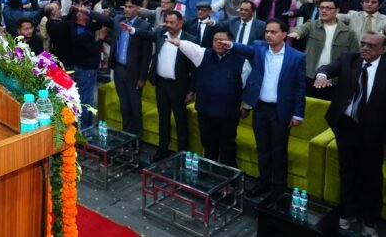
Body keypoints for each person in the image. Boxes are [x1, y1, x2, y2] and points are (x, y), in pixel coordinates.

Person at [314, 33, 386, 237]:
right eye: (363, 44)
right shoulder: (348, 59)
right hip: (346, 127)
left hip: (373, 133)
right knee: (348, 172)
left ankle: (369, 220)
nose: (365, 48)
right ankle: (348, 212)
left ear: (384, 49)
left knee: (371, 177)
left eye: (371, 46)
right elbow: (327, 69)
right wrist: (322, 75)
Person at [228, 19, 306, 197]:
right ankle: (263, 182)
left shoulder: (297, 57)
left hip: (281, 110)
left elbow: (300, 87)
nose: (269, 35)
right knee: (262, 148)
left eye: (273, 32)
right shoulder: (260, 48)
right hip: (260, 108)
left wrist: (298, 114)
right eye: (267, 32)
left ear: (284, 34)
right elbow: (244, 49)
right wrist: (230, 44)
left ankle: (278, 187)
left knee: (278, 150)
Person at [168, 28, 249, 166]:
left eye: (222, 40)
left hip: (228, 114)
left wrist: (247, 107)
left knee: (227, 147)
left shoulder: (242, 61)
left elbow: (247, 86)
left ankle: (228, 175)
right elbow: (192, 48)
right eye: (215, 40)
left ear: (231, 42)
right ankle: (209, 173)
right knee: (208, 145)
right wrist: (179, 43)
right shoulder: (204, 55)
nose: (218, 43)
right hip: (205, 112)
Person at [129, 11, 196, 161]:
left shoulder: (190, 40)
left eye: (172, 23)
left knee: (181, 122)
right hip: (161, 84)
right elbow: (147, 35)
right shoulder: (161, 34)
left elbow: (195, 68)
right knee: (163, 119)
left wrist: (192, 90)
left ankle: (182, 154)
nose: (168, 25)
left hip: (179, 87)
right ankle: (162, 149)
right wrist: (132, 30)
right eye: (167, 22)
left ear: (181, 23)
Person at [288, 0, 358, 100]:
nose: (324, 11)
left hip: (334, 79)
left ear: (337, 11)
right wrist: (296, 33)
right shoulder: (312, 25)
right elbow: (302, 29)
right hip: (310, 75)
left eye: (328, 8)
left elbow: (355, 55)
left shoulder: (348, 32)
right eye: (321, 8)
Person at [109, 0, 152, 135]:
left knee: (135, 106)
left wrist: (142, 77)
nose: (126, 10)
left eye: (130, 7)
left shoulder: (144, 26)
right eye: (125, 7)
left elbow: (146, 55)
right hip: (118, 69)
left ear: (138, 9)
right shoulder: (119, 21)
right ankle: (126, 135)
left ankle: (136, 137)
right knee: (124, 105)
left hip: (134, 73)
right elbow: (105, 20)